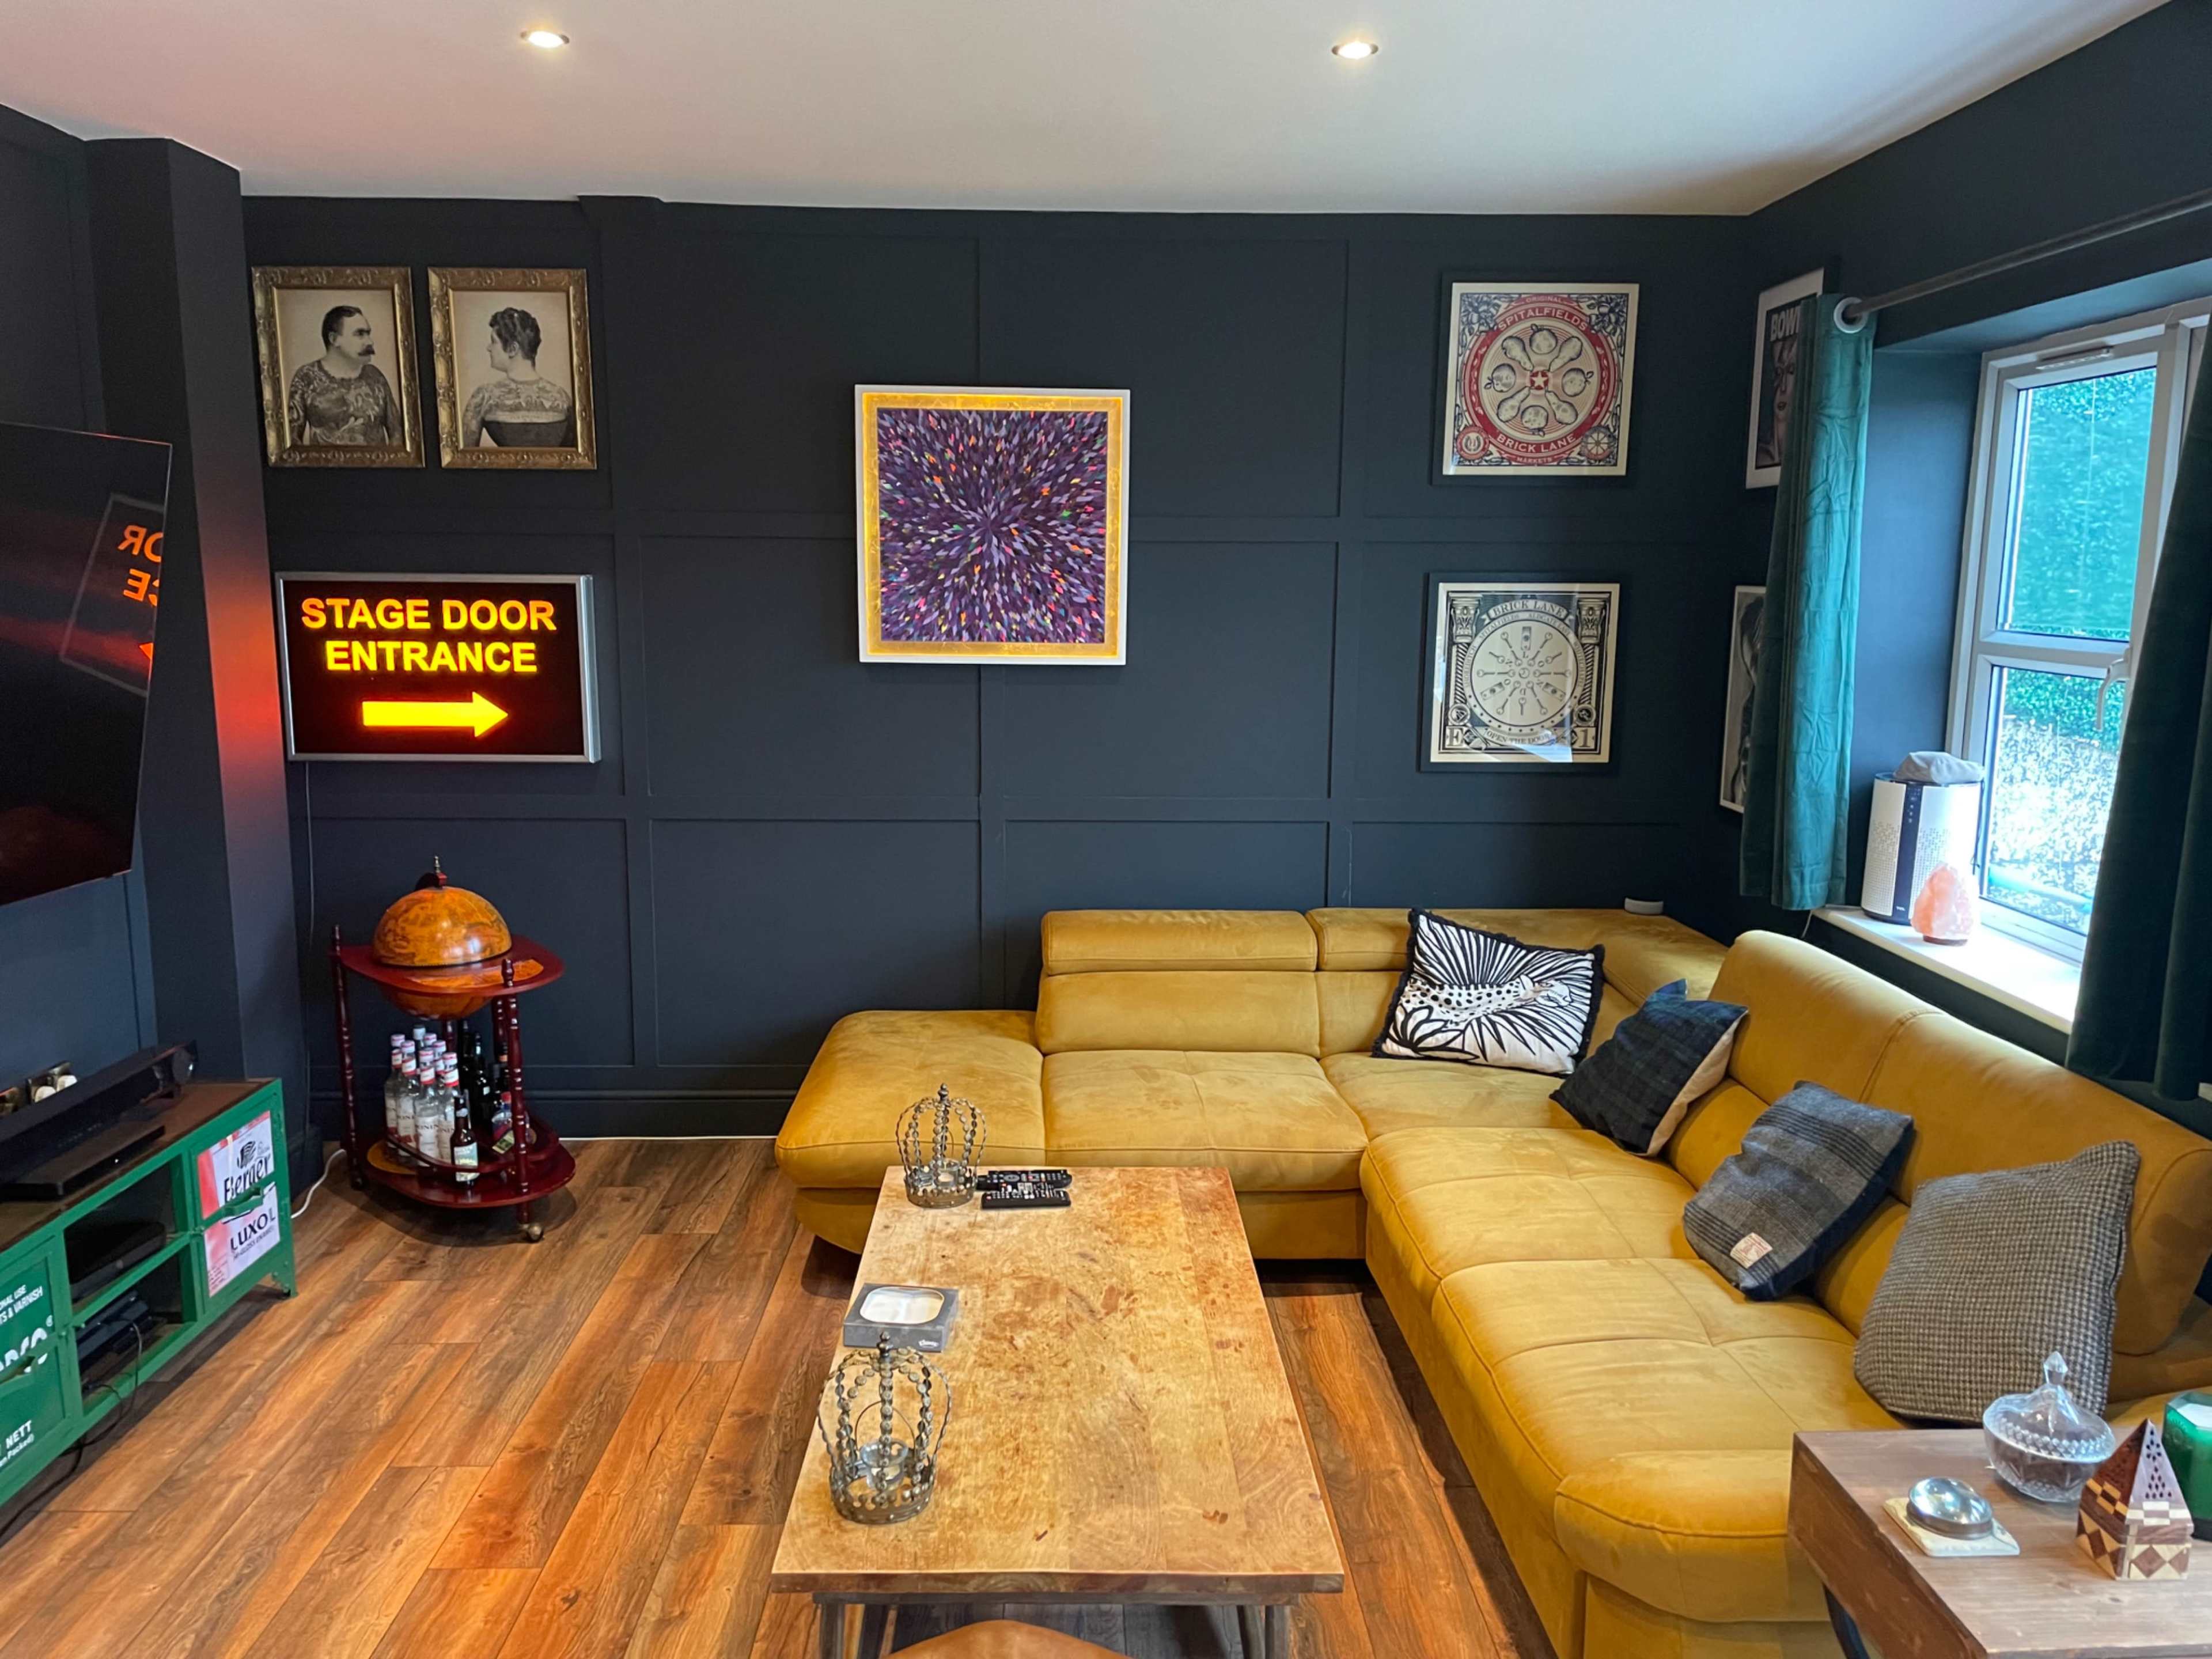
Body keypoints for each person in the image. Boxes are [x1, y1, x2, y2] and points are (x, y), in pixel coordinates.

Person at [287, 304, 406, 446]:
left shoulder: (375, 377)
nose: (370, 342)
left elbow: (398, 434)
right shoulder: (307, 377)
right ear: (334, 339)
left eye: (368, 333)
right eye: (360, 334)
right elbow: (291, 441)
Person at [461, 306, 575, 448]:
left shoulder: (485, 397)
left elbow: (465, 456)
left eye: (494, 341)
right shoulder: (562, 398)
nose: (489, 348)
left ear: (512, 349)